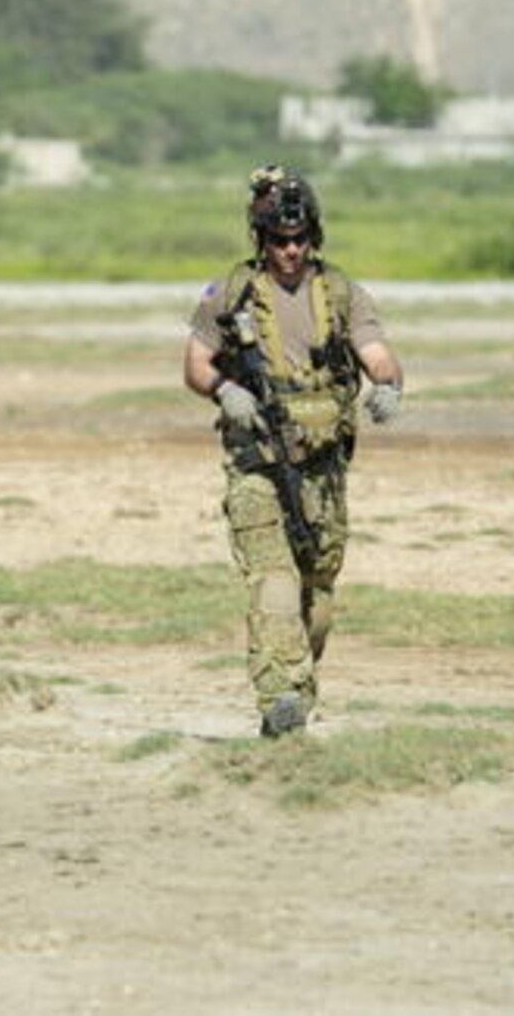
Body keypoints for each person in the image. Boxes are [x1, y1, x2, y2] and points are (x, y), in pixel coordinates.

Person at [183, 164, 403, 737]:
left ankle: (297, 694)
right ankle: (278, 696)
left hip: (323, 470)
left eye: (300, 238)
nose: (290, 251)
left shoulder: (341, 292)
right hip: (257, 464)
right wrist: (225, 389)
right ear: (261, 239)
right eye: (279, 241)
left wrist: (387, 383)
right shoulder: (229, 293)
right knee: (274, 583)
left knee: (318, 594)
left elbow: (375, 350)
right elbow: (195, 363)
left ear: (314, 236)